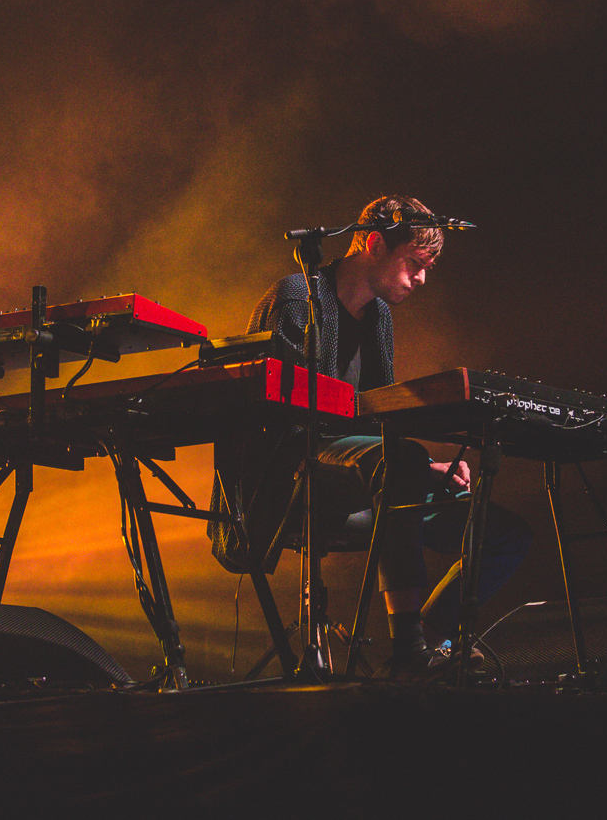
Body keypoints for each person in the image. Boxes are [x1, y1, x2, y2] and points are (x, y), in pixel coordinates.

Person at [208, 195, 532, 679]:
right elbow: (274, 422)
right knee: (401, 464)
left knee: (504, 534)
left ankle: (430, 639)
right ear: (376, 245)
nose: (422, 279)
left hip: (370, 477)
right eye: (416, 264)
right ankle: (409, 652)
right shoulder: (297, 299)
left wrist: (427, 470)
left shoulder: (378, 318)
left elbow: (379, 420)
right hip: (287, 479)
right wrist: (405, 464)